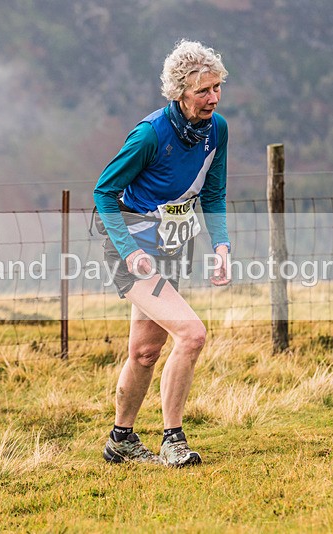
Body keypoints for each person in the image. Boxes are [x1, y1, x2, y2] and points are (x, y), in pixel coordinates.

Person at [93, 40, 231, 467]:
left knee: (144, 352)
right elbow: (103, 192)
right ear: (178, 93)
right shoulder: (150, 134)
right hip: (130, 244)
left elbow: (213, 192)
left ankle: (121, 440)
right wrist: (131, 251)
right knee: (192, 334)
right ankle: (173, 440)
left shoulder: (217, 129)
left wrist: (221, 245)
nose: (213, 97)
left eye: (217, 87)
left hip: (172, 243)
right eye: (203, 91)